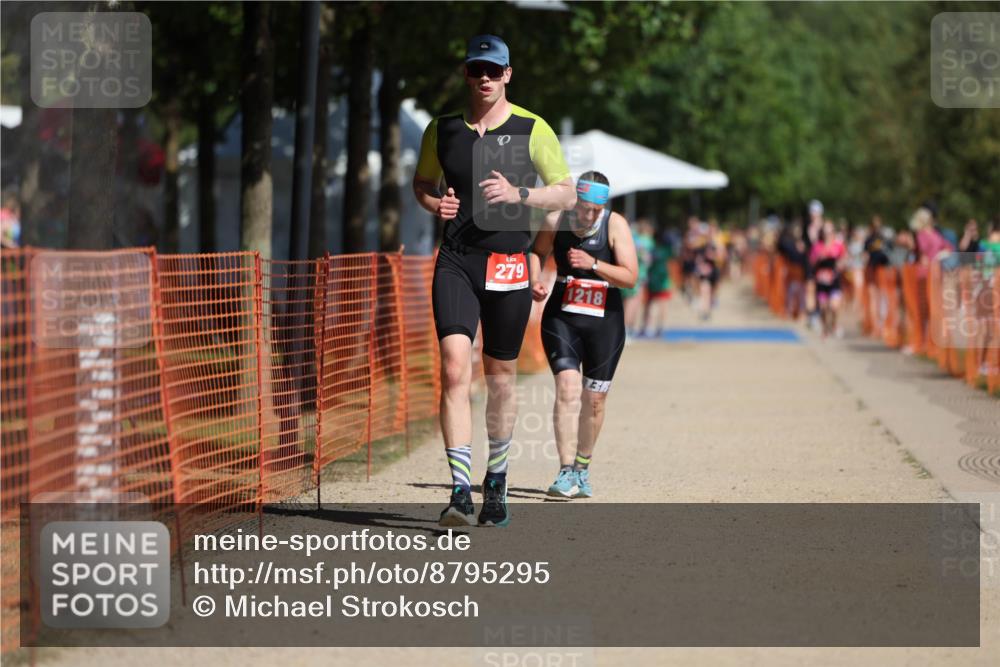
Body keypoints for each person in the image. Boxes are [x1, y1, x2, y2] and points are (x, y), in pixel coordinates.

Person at [412, 35, 576, 527]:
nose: (484, 77)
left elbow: (566, 194)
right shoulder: (441, 130)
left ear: (508, 74)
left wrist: (519, 191)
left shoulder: (532, 129)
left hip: (507, 261)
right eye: (475, 69)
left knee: (501, 377)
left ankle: (497, 478)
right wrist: (432, 202)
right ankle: (461, 490)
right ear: (466, 73)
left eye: (493, 70)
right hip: (457, 260)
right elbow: (423, 183)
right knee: (454, 368)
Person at [528, 172, 638, 498]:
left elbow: (630, 277)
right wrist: (535, 279)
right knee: (566, 386)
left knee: (594, 399)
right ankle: (564, 472)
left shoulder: (615, 225)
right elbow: (538, 251)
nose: (589, 214)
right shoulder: (556, 216)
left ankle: (582, 467)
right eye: (584, 207)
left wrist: (593, 264)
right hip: (563, 316)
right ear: (575, 198)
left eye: (596, 209)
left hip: (605, 321)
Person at [809, 219, 847, 337]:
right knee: (824, 307)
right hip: (821, 282)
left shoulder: (838, 245)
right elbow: (812, 262)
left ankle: (835, 325)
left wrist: (840, 264)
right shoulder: (817, 246)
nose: (827, 234)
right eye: (825, 231)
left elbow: (844, 259)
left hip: (834, 280)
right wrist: (819, 258)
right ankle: (825, 327)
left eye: (830, 231)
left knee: (834, 307)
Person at [642, 228, 674, 337]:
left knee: (650, 304)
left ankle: (647, 327)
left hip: (653, 279)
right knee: (662, 305)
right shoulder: (666, 250)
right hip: (662, 281)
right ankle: (660, 327)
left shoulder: (652, 249)